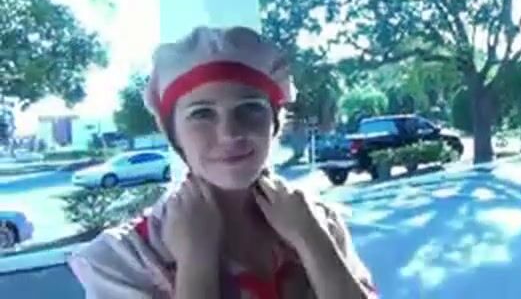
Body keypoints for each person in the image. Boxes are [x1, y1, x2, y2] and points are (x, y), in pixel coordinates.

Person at [68, 26, 378, 298]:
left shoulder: (317, 221)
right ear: (173, 132)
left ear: (275, 123)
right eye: (202, 113)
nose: (230, 133)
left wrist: (312, 241)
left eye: (250, 108)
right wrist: (196, 262)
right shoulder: (124, 260)